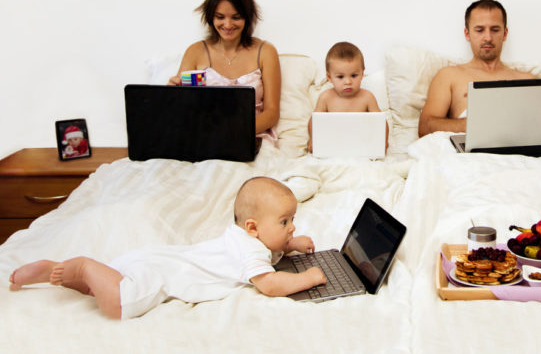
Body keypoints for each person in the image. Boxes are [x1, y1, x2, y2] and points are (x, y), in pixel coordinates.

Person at [8, 177, 326, 319]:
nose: (292, 227)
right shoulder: (253, 253)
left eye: (292, 220)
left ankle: (56, 271)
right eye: (285, 222)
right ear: (253, 227)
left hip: (153, 258)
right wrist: (308, 278)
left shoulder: (247, 238)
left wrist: (291, 243)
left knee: (96, 290)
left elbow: (271, 248)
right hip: (158, 274)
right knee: (117, 304)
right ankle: (84, 267)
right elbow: (270, 283)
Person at [168, 0, 281, 140]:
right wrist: (170, 94)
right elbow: (182, 108)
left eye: (236, 17)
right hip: (203, 138)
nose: (227, 25)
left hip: (250, 136)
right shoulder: (195, 52)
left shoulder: (265, 52)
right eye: (220, 17)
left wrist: (234, 132)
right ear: (210, 17)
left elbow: (272, 113)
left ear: (247, 17)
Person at [418, 0, 535, 137]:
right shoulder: (449, 76)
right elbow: (425, 127)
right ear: (467, 34)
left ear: (505, 34)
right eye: (479, 30)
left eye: (495, 30)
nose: (488, 37)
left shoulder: (527, 80)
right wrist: (473, 124)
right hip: (473, 155)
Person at [307, 42, 388, 152]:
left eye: (354, 75)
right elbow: (314, 122)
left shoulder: (367, 97)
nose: (348, 82)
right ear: (329, 77)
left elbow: (381, 122)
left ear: (362, 73)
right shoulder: (326, 97)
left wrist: (383, 142)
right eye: (340, 77)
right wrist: (313, 140)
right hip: (333, 145)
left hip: (362, 145)